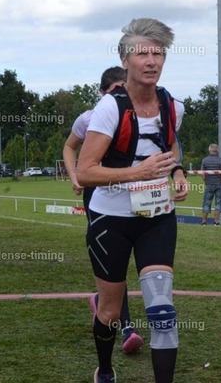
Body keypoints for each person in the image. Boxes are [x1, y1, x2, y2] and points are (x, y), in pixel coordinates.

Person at [77, 18, 189, 383]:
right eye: (142, 54)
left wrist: (177, 171)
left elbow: (170, 147)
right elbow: (85, 171)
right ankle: (105, 369)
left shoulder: (173, 106)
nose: (151, 61)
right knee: (110, 311)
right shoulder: (110, 108)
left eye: (158, 53)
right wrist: (136, 173)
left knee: (162, 309)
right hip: (110, 220)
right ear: (125, 60)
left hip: (157, 217)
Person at [63, 66, 145, 355]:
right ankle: (127, 327)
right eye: (115, 90)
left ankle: (103, 301)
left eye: (126, 88)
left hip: (138, 192)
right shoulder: (91, 117)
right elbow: (69, 147)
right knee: (115, 260)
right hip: (99, 193)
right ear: (103, 93)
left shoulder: (145, 113)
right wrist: (74, 175)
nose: (122, 95)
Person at [200, 143, 221, 226]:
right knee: (218, 203)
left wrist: (206, 181)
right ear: (217, 150)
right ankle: (216, 222)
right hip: (219, 184)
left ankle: (203, 222)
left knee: (206, 203)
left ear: (209, 150)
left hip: (209, 184)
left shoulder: (204, 160)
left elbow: (202, 174)